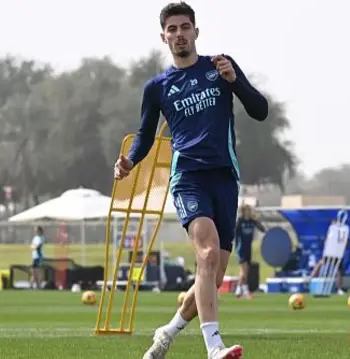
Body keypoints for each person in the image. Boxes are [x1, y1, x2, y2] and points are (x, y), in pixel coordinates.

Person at [113, 3, 268, 358]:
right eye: (172, 29)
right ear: (163, 36)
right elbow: (145, 135)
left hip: (225, 179)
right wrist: (130, 162)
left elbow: (260, 111)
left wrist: (235, 82)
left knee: (210, 279)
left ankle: (166, 334)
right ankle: (214, 347)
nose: (179, 34)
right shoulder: (157, 87)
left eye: (185, 27)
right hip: (188, 178)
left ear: (196, 32)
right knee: (208, 252)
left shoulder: (219, 66)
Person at [306, 220, 347, 295]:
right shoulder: (330, 234)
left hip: (337, 253)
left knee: (338, 271)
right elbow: (327, 243)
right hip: (329, 253)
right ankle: (311, 278)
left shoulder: (341, 232)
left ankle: (339, 288)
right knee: (320, 263)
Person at [234, 204, 266, 299]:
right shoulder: (240, 221)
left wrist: (257, 220)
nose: (249, 212)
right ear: (243, 211)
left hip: (248, 248)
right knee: (244, 271)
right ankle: (245, 291)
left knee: (245, 271)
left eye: (250, 210)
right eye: (247, 210)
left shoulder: (252, 221)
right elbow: (233, 231)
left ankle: (239, 290)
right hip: (241, 248)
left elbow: (262, 229)